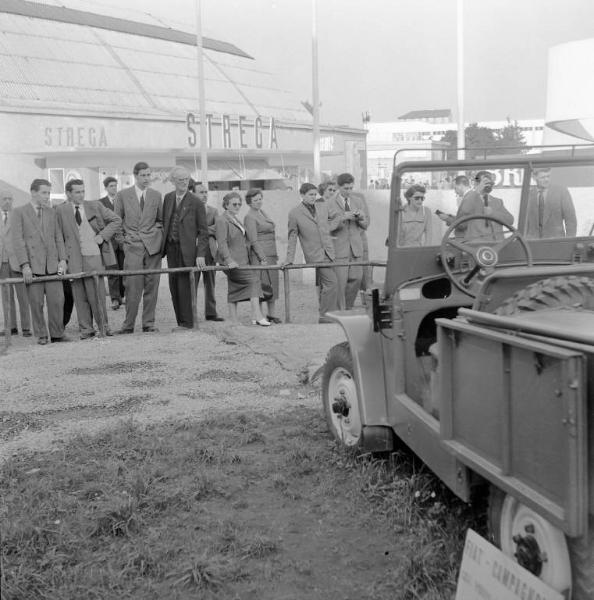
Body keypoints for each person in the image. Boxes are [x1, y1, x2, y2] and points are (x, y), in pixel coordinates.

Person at [56, 179, 121, 339]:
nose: (81, 194)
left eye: (83, 191)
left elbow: (116, 220)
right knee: (79, 296)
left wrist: (102, 236)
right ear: (69, 193)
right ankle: (86, 329)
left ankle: (104, 327)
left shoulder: (95, 205)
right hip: (74, 259)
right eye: (77, 192)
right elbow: (58, 236)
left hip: (94, 256)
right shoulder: (60, 210)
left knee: (97, 295)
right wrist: (63, 259)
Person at [10, 179, 67, 345]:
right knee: (36, 303)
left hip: (52, 265)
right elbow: (18, 241)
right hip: (33, 267)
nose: (47, 196)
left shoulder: (51, 212)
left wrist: (62, 260)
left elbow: (58, 238)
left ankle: (57, 334)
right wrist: (25, 265)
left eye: (48, 193)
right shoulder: (19, 212)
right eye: (44, 193)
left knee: (57, 301)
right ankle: (41, 335)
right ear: (33, 192)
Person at [114, 161, 163, 334]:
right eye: (143, 175)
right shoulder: (122, 195)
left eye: (149, 175)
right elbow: (116, 221)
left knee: (152, 286)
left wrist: (155, 234)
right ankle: (128, 325)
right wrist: (123, 242)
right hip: (132, 247)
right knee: (132, 287)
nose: (146, 178)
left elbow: (160, 220)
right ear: (135, 176)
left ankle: (148, 324)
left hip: (152, 248)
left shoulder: (156, 195)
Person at [161, 167, 209, 330]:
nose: (183, 182)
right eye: (180, 179)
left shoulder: (196, 201)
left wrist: (200, 254)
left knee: (187, 285)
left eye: (186, 179)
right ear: (173, 181)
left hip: (189, 251)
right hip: (171, 249)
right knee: (174, 285)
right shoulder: (168, 198)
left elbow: (203, 231)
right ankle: (180, 322)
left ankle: (188, 323)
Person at [284, 182, 338, 323]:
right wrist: (289, 258)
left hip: (329, 251)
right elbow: (292, 237)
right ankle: (325, 316)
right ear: (302, 195)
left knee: (326, 285)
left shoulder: (322, 207)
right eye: (310, 195)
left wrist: (328, 230)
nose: (314, 197)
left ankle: (326, 314)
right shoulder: (294, 213)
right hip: (314, 254)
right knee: (331, 283)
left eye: (315, 194)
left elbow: (336, 217)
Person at [215, 192, 270, 326]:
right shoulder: (222, 220)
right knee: (254, 280)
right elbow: (222, 243)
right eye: (234, 204)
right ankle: (257, 315)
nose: (237, 206)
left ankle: (233, 319)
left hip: (241, 260)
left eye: (239, 204)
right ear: (226, 205)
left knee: (233, 288)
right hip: (232, 261)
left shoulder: (234, 218)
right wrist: (229, 260)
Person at [327, 172, 369, 309]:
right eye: (346, 188)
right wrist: (342, 217)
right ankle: (340, 313)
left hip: (356, 248)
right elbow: (326, 227)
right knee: (340, 284)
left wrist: (361, 218)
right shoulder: (329, 203)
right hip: (339, 249)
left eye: (351, 188)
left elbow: (366, 224)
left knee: (357, 279)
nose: (349, 191)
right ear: (338, 187)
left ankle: (348, 308)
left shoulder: (358, 201)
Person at [442, 170, 513, 241]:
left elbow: (510, 220)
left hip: (497, 245)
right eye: (485, 183)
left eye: (491, 183)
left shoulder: (497, 201)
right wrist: (477, 191)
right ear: (476, 183)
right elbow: (462, 221)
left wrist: (493, 213)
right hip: (477, 246)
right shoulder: (470, 199)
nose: (488, 185)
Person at [244, 188, 281, 323]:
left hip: (271, 254)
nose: (259, 202)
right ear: (249, 202)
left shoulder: (262, 212)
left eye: (260, 199)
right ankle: (258, 315)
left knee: (273, 284)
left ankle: (271, 314)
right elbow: (253, 240)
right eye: (255, 200)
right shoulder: (249, 217)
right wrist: (262, 257)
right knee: (261, 286)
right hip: (260, 257)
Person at [190, 180, 224, 321]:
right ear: (193, 194)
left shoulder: (213, 211)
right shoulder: (189, 210)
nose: (204, 195)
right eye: (201, 192)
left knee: (210, 283)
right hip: (193, 251)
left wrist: (202, 231)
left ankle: (211, 313)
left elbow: (218, 229)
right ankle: (191, 314)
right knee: (192, 282)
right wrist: (206, 231)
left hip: (210, 250)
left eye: (206, 192)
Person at [0, 189, 31, 337]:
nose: (7, 201)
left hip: (18, 261)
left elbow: (24, 238)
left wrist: (26, 262)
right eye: (4, 199)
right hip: (2, 263)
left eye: (10, 199)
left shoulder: (18, 215)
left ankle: (26, 327)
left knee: (23, 296)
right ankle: (10, 327)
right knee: (6, 297)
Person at [527, 168, 577, 238]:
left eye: (548, 176)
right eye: (543, 177)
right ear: (535, 177)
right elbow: (525, 222)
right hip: (533, 243)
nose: (546, 179)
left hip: (555, 242)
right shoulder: (529, 194)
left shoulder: (561, 192)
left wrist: (569, 242)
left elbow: (570, 220)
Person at [99, 176, 125, 310]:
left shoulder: (122, 200)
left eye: (115, 185)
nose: (114, 188)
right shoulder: (100, 203)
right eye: (111, 186)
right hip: (109, 241)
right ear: (106, 188)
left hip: (123, 240)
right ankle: (115, 298)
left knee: (124, 268)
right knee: (112, 269)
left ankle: (122, 295)